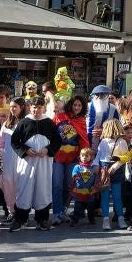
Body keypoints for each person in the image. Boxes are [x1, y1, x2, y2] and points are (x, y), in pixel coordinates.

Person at [10, 99, 61, 230]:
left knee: (43, 189)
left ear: (43, 108)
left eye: (39, 107)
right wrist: (25, 150)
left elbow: (57, 140)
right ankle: (20, 218)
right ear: (29, 107)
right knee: (24, 189)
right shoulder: (24, 122)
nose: (36, 110)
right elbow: (15, 141)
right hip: (27, 161)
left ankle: (42, 219)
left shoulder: (49, 123)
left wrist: (48, 150)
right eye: (33, 107)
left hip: (44, 161)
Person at [52, 94, 88, 226]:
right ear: (70, 105)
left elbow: (84, 141)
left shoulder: (82, 120)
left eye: (79, 105)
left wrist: (85, 158)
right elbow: (50, 133)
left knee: (68, 186)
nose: (77, 107)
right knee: (56, 185)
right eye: (75, 104)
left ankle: (63, 211)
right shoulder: (59, 117)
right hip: (57, 157)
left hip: (72, 159)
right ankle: (56, 213)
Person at [0, 98, 26, 220]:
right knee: (8, 182)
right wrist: (1, 156)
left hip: (23, 158)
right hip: (8, 158)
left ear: (22, 107)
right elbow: (0, 143)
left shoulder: (27, 122)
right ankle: (12, 210)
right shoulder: (7, 124)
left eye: (15, 107)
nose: (13, 109)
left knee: (22, 183)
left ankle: (23, 212)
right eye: (11, 107)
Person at [96, 118, 128, 230]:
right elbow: (98, 156)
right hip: (104, 169)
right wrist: (96, 168)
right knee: (105, 195)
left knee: (116, 196)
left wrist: (116, 165)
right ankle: (106, 219)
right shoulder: (104, 141)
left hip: (115, 169)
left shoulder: (122, 142)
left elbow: (125, 157)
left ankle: (120, 218)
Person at [69, 147, 100, 226]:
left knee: (91, 208)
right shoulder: (77, 167)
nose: (84, 158)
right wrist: (75, 176)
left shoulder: (93, 168)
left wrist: (96, 186)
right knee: (77, 208)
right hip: (79, 193)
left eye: (87, 156)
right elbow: (74, 173)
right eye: (83, 156)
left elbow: (97, 178)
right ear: (80, 157)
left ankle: (91, 219)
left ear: (91, 157)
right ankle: (75, 220)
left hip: (90, 193)